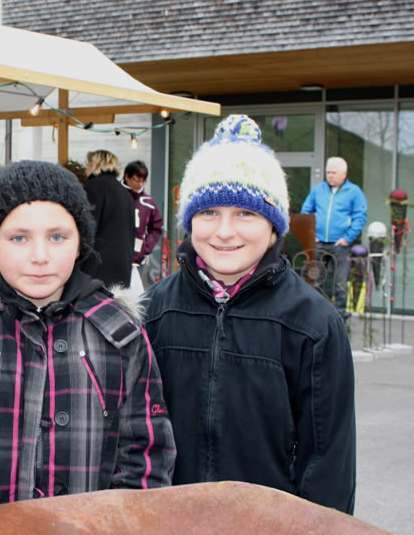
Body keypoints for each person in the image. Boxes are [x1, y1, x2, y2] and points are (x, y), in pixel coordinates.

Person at [0, 160, 175, 518]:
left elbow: (146, 461)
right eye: (19, 238)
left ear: (79, 243)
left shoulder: (120, 334)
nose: (40, 257)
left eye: (57, 237)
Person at [143, 115, 356, 514]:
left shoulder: (313, 324)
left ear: (274, 226)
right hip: (166, 529)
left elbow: (329, 462)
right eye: (209, 212)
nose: (225, 231)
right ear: (189, 221)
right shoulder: (154, 310)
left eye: (246, 213)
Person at [301, 157, 367, 320]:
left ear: (344, 174)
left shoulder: (354, 192)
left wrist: (347, 238)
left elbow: (360, 217)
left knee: (340, 283)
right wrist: (311, 234)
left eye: (334, 173)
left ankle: (340, 319)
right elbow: (305, 212)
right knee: (315, 280)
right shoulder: (318, 190)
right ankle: (316, 317)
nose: (330, 176)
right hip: (319, 243)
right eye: (328, 172)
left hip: (340, 245)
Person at [81, 150, 136, 288]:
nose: (86, 169)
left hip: (96, 267)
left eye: (88, 164)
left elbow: (87, 228)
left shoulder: (93, 187)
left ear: (94, 165)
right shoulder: (125, 193)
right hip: (122, 266)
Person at [122, 161, 164, 282]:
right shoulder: (116, 196)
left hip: (137, 259)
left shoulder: (148, 201)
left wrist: (146, 247)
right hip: (116, 257)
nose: (140, 184)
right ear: (127, 177)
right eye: (137, 180)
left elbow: (156, 227)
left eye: (143, 181)